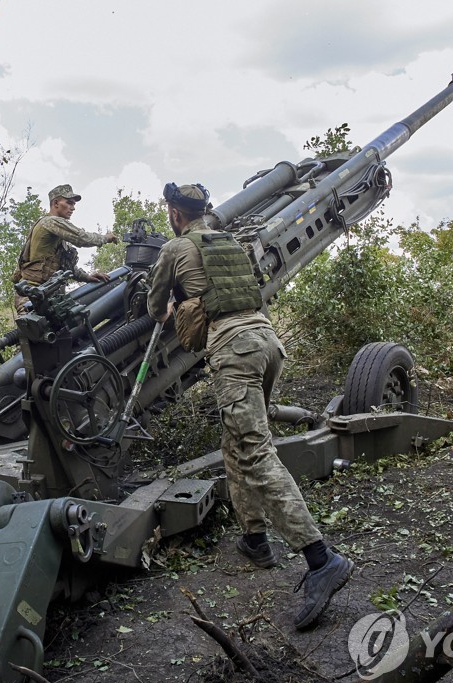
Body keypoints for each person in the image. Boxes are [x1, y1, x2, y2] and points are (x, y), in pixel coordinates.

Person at [146, 181, 354, 631]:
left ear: (175, 213)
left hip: (233, 349)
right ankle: (255, 538)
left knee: (256, 452)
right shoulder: (231, 243)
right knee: (235, 445)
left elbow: (153, 305)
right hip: (266, 341)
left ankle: (320, 559)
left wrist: (166, 312)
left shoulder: (175, 247)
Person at [14, 184, 118, 311]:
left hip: (45, 296)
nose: (73, 208)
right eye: (69, 203)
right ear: (56, 203)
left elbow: (65, 266)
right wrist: (106, 238)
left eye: (74, 204)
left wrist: (87, 277)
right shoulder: (50, 222)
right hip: (31, 297)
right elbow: (82, 238)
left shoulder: (56, 232)